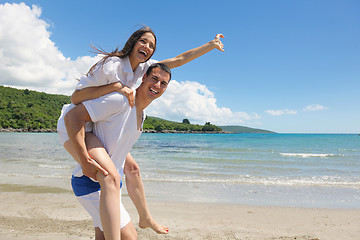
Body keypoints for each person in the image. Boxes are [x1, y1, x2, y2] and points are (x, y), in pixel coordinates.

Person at [57, 26, 224, 239]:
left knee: (130, 169)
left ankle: (145, 218)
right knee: (110, 178)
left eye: (152, 45)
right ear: (133, 42)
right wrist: (115, 87)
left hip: (95, 126)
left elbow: (179, 59)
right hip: (75, 126)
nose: (147, 47)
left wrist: (210, 45)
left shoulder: (141, 81)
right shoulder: (114, 69)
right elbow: (75, 100)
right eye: (143, 41)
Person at [65, 63, 171, 240]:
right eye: (154, 79)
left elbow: (115, 143)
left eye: (163, 83)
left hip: (111, 185)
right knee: (129, 237)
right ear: (143, 78)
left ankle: (146, 218)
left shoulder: (141, 114)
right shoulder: (121, 101)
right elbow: (73, 116)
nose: (158, 86)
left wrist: (128, 164)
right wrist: (84, 159)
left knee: (103, 235)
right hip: (92, 182)